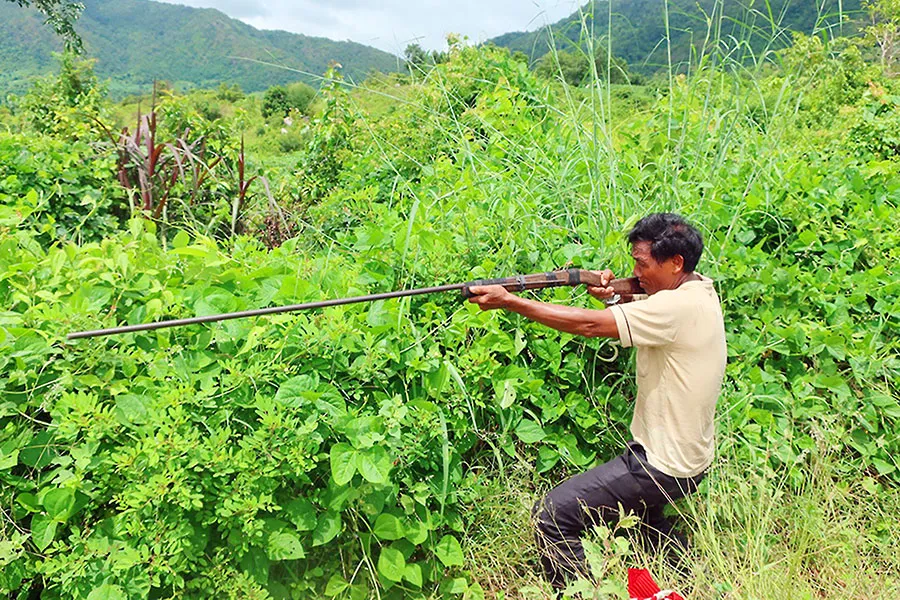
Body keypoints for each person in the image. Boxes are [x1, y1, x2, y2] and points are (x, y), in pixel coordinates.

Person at [466, 213, 726, 588]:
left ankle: (582, 593)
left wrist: (512, 302)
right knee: (644, 520)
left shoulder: (675, 308)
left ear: (676, 263)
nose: (637, 271)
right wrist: (619, 294)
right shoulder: (698, 290)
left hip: (663, 464)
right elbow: (646, 301)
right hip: (690, 458)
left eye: (642, 264)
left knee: (551, 515)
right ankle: (691, 579)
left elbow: (589, 325)